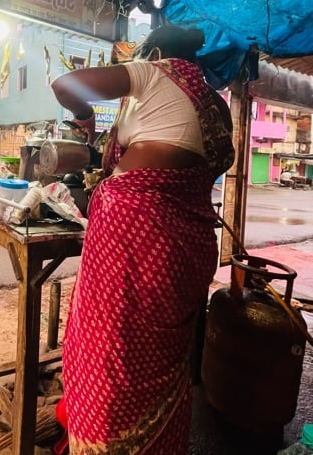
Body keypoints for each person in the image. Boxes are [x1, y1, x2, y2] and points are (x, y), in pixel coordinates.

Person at [50, 25, 235, 454]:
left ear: (153, 52)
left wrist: (84, 115)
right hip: (190, 244)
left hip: (138, 233)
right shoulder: (216, 106)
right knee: (161, 361)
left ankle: (105, 440)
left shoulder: (153, 72)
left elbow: (65, 85)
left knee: (112, 352)